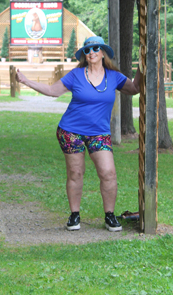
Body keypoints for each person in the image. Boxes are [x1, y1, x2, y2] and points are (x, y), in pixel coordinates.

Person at [16, 36, 141, 232]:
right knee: (76, 173)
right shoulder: (75, 75)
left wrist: (142, 65)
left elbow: (134, 88)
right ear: (85, 54)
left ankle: (109, 215)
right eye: (87, 50)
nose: (91, 52)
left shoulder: (114, 76)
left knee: (108, 173)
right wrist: (25, 80)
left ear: (103, 52)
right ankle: (74, 215)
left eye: (95, 48)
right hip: (70, 131)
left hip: (99, 133)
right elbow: (52, 91)